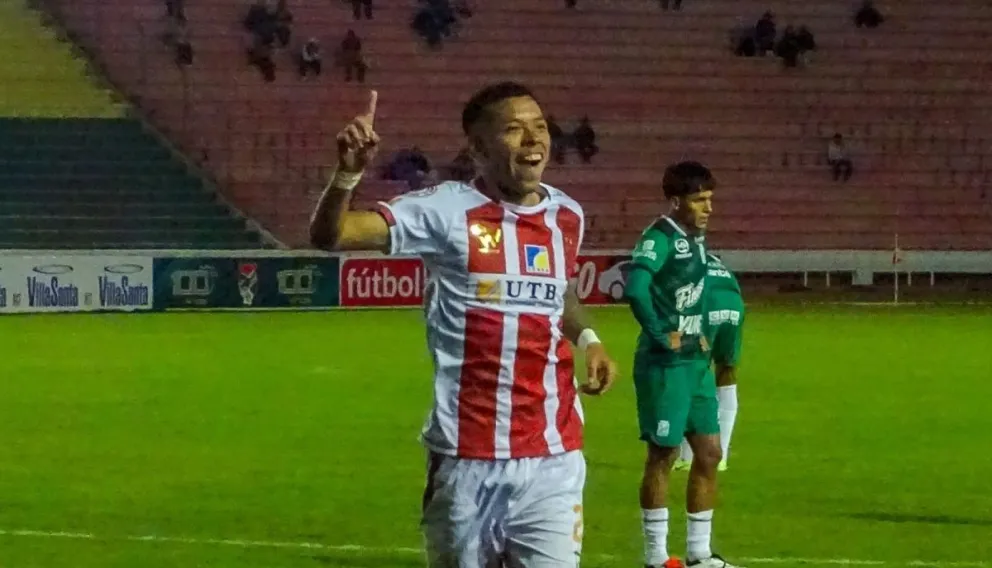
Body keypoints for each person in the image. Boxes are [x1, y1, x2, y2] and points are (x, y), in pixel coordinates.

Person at [309, 83, 618, 567]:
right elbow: (333, 236)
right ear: (477, 148)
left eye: (539, 127)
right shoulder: (444, 210)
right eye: (514, 130)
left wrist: (589, 338)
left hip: (554, 457)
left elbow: (559, 290)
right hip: (467, 458)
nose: (533, 139)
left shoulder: (566, 214)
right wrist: (347, 177)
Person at [624, 161, 741, 568]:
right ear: (676, 202)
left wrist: (701, 331)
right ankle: (656, 558)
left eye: (710, 199)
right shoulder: (660, 238)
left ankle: (699, 554)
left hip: (695, 364)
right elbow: (636, 289)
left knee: (708, 453)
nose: (708, 208)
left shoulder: (696, 240)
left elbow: (691, 293)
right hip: (664, 366)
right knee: (663, 454)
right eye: (698, 200)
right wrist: (661, 335)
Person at [674, 253, 744, 473]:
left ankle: (686, 456)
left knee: (692, 373)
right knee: (727, 372)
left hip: (707, 305)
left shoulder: (679, 257)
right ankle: (720, 456)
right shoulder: (714, 260)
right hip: (734, 306)